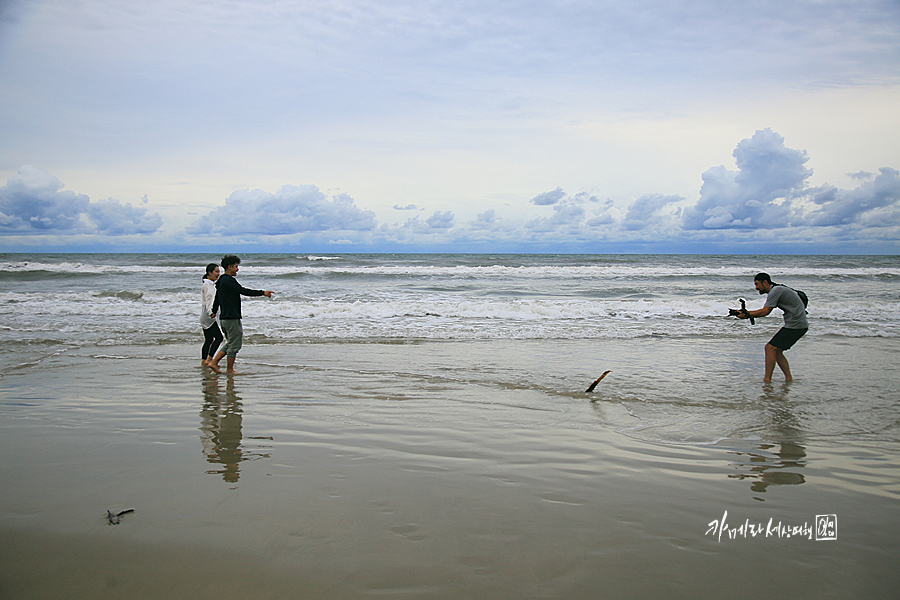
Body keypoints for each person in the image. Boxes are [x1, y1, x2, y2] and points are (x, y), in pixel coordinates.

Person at [738, 273, 808, 383]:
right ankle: (788, 379)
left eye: (757, 284)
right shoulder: (778, 289)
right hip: (798, 325)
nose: (756, 288)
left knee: (769, 348)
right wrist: (747, 314)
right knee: (777, 351)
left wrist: (747, 315)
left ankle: (767, 380)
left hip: (796, 325)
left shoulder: (776, 291)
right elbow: (764, 311)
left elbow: (765, 311)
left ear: (765, 282)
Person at [208, 255, 273, 374]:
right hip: (231, 317)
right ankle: (226, 368)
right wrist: (262, 293)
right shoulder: (228, 280)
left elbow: (217, 297)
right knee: (235, 345)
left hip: (224, 318)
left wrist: (214, 310)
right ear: (229, 267)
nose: (237, 269)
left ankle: (215, 363)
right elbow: (243, 291)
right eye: (236, 267)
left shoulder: (221, 280)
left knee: (231, 343)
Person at [200, 263, 224, 367]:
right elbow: (210, 299)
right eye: (216, 271)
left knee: (209, 340)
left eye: (219, 271)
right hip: (208, 316)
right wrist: (212, 312)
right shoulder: (208, 285)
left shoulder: (209, 284)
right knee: (219, 338)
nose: (218, 274)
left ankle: (204, 361)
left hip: (206, 316)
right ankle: (209, 360)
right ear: (209, 273)